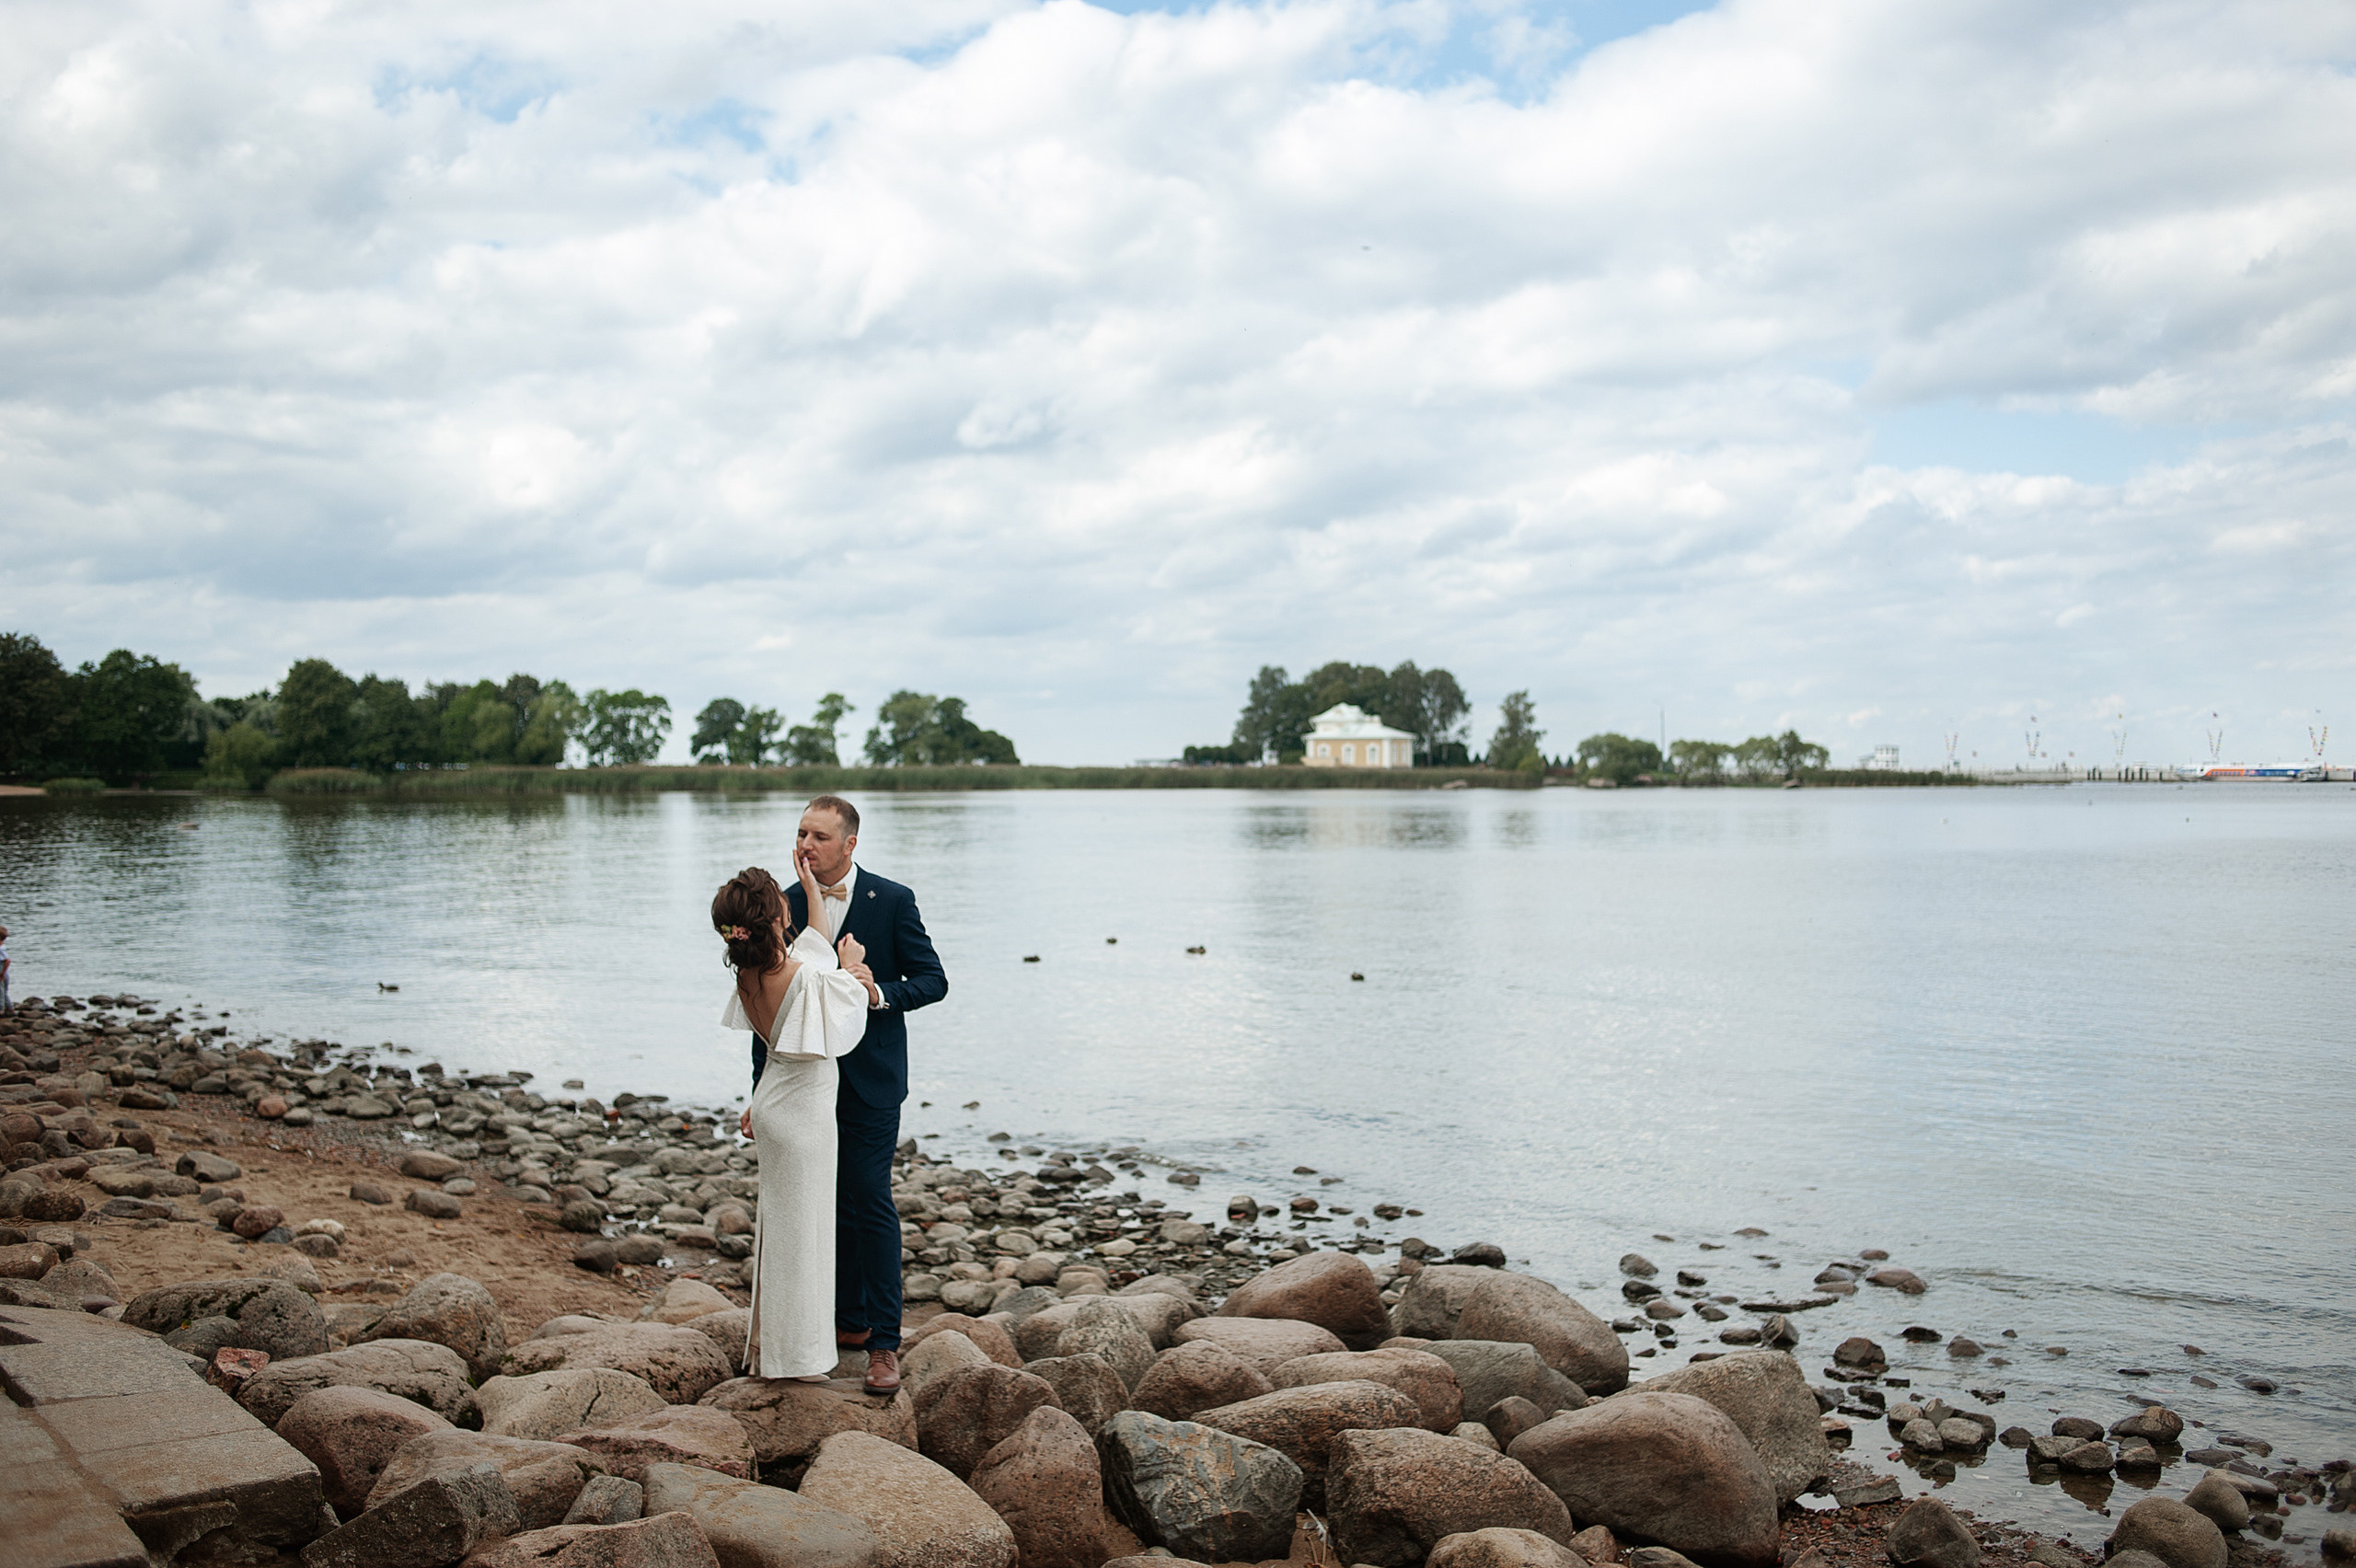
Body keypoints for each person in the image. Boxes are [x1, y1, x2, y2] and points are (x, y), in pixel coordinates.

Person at [743, 794, 945, 1396]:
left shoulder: (894, 899)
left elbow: (932, 981)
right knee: (821, 1203)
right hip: (802, 1085)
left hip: (871, 1081)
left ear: (850, 844)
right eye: (802, 833)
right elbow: (767, 1010)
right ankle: (846, 1322)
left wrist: (877, 992)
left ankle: (884, 1343)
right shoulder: (780, 903)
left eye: (820, 836)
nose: (806, 845)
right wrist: (760, 1091)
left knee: (870, 1199)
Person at [713, 856, 877, 1381]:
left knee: (782, 1230)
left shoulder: (751, 974)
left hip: (774, 1103)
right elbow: (849, 1007)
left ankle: (773, 1347)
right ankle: (798, 1360)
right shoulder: (805, 978)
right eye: (784, 901)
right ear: (774, 917)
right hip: (804, 1118)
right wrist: (851, 964)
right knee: (804, 1237)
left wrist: (810, 889)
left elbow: (813, 941)